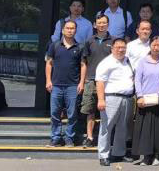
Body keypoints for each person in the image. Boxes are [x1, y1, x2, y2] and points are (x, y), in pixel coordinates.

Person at [132, 36, 159, 166]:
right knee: (145, 129)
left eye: (158, 45)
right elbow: (137, 80)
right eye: (154, 45)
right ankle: (146, 156)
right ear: (150, 46)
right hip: (145, 99)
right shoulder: (143, 61)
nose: (156, 48)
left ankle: (156, 156)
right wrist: (139, 96)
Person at [95, 38, 135, 166]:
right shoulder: (106, 63)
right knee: (106, 127)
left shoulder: (128, 61)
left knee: (122, 127)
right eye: (118, 47)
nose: (121, 50)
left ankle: (119, 153)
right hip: (111, 98)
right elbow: (100, 82)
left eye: (123, 47)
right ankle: (103, 155)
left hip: (127, 98)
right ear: (112, 48)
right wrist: (101, 99)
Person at [45, 19, 85, 147]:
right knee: (55, 113)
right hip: (56, 85)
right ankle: (56, 137)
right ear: (62, 30)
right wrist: (48, 80)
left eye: (72, 28)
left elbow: (83, 65)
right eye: (67, 28)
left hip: (73, 85)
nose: (70, 30)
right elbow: (49, 64)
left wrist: (82, 83)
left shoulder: (80, 47)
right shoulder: (55, 45)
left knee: (72, 114)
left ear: (75, 30)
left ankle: (69, 138)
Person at [80, 15, 114, 148]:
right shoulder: (89, 41)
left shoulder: (114, 41)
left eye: (104, 23)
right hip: (91, 79)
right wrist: (82, 81)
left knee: (109, 111)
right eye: (99, 23)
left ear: (108, 24)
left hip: (108, 81)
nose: (102, 25)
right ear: (95, 25)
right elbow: (84, 62)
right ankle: (89, 137)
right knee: (90, 110)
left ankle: (107, 138)